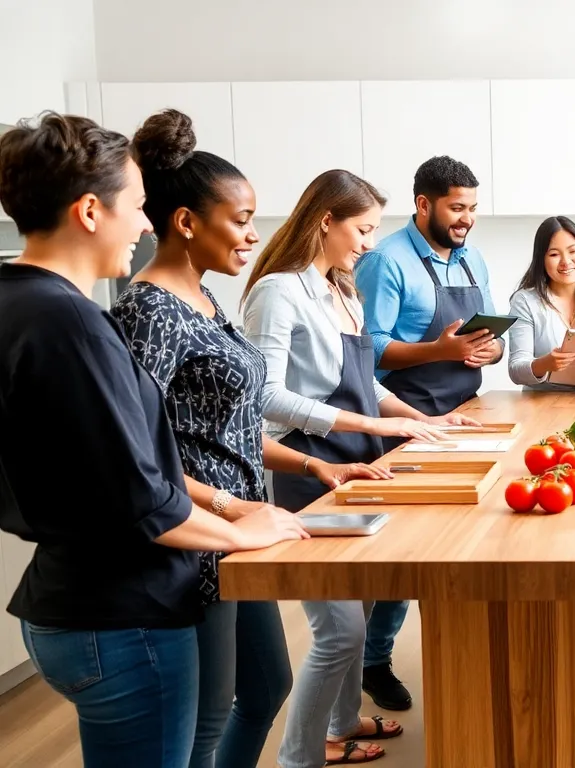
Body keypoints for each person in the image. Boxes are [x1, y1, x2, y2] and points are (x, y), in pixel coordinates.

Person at [0, 112, 307, 768]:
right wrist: (242, 528)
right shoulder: (73, 323)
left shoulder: (16, 303)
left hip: (67, 596)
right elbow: (137, 493)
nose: (146, 223)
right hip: (122, 614)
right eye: (138, 207)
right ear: (90, 210)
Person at [114, 109, 397, 768]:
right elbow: (137, 455)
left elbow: (232, 428)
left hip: (242, 537)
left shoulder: (205, 304)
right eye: (240, 220)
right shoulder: (150, 312)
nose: (252, 235)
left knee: (266, 685)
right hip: (200, 542)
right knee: (209, 717)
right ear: (186, 222)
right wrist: (231, 508)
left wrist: (314, 466)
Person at [243, 170, 471, 767]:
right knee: (339, 629)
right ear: (326, 221)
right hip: (310, 471)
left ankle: (341, 723)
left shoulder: (341, 288)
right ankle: (301, 755)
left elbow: (365, 384)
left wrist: (421, 419)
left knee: (361, 607)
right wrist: (375, 425)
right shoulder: (278, 291)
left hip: (358, 467)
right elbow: (264, 398)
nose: (371, 242)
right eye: (363, 228)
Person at [352, 156, 499, 707]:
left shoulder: (472, 260)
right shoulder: (386, 260)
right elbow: (367, 349)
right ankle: (373, 660)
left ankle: (460, 650)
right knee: (408, 552)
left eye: (472, 209)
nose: (466, 220)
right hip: (405, 416)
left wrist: (491, 347)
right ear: (423, 205)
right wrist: (443, 349)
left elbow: (485, 332)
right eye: (457, 208)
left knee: (467, 540)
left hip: (464, 410)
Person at [507, 216, 575, 390]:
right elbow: (515, 369)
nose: (566, 261)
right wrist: (545, 364)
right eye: (554, 254)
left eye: (573, 251)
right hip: (540, 405)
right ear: (541, 260)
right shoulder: (525, 301)